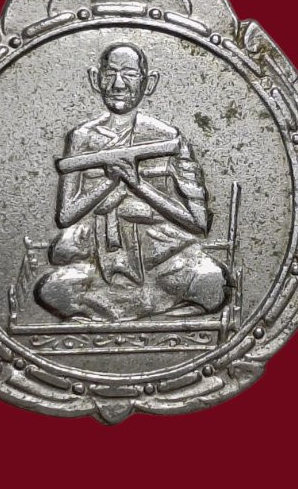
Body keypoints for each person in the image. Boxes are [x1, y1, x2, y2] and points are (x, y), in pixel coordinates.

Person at [34, 43, 229, 321]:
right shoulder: (81, 137)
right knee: (52, 290)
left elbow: (198, 224)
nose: (118, 84)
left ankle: (122, 313)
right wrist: (109, 181)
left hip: (159, 259)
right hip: (98, 258)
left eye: (129, 74)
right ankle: (147, 312)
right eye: (110, 74)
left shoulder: (168, 137)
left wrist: (138, 185)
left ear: (149, 82)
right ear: (95, 79)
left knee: (212, 280)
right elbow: (65, 216)